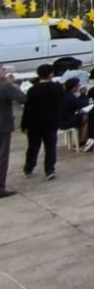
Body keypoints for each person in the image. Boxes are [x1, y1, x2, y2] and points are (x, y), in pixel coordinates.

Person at [20, 64, 65, 180]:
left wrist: (24, 124)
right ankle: (49, 170)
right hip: (51, 121)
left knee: (33, 147)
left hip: (35, 122)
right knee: (50, 147)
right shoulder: (57, 88)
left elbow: (28, 108)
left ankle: (28, 168)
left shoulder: (33, 90)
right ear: (51, 74)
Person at [0, 66, 27, 197]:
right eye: (3, 70)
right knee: (2, 157)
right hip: (2, 125)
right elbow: (22, 98)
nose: (5, 72)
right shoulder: (5, 87)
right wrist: (13, 85)